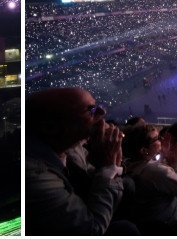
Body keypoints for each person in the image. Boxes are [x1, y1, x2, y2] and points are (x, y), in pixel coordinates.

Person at [24, 87, 127, 235]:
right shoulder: (35, 177)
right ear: (50, 127)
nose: (102, 112)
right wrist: (108, 167)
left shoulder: (71, 147)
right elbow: (91, 229)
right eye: (90, 110)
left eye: (97, 106)